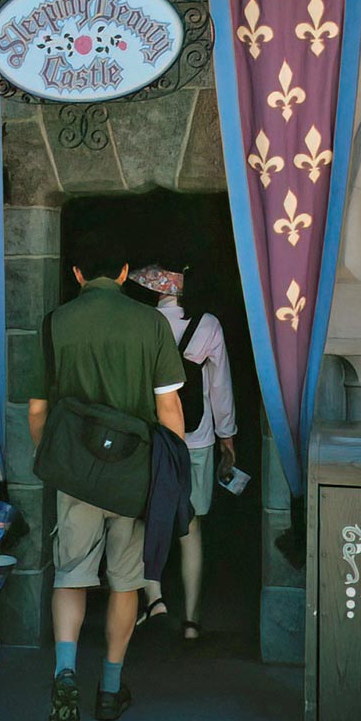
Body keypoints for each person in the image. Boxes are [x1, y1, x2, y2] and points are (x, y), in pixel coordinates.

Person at [28, 238, 185, 721]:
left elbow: (37, 411)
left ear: (76, 273)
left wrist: (57, 462)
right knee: (125, 583)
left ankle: (66, 674)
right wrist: (175, 476)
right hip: (135, 477)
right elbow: (170, 411)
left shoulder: (56, 324)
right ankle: (110, 690)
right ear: (123, 272)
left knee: (71, 574)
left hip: (77, 475)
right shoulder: (151, 325)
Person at [129, 265, 236, 640]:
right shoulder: (207, 325)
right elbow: (220, 386)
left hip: (152, 437)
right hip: (197, 437)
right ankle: (191, 620)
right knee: (191, 527)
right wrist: (227, 436)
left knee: (144, 521)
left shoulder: (139, 321)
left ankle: (154, 600)